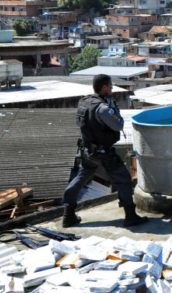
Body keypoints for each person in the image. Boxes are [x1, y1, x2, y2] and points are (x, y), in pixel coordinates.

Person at [62, 74, 148, 228]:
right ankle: (130, 216)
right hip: (102, 153)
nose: (112, 88)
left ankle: (68, 215)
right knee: (124, 179)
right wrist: (114, 110)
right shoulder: (102, 108)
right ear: (104, 87)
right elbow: (119, 125)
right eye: (110, 86)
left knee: (79, 179)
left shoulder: (84, 102)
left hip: (87, 151)